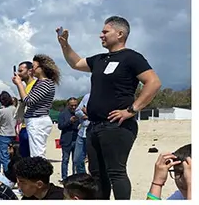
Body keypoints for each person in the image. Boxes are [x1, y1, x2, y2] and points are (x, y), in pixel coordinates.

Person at [57, 16, 162, 199]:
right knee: (97, 174)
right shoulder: (100, 59)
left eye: (105, 31)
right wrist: (64, 44)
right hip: (94, 126)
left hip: (117, 125)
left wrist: (131, 110)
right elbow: (76, 63)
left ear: (120, 34)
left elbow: (153, 82)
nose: (101, 35)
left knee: (116, 172)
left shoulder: (131, 57)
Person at [12, 55, 60, 158]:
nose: (32, 69)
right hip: (35, 121)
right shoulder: (41, 83)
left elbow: (28, 101)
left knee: (37, 155)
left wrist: (19, 84)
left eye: (34, 66)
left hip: (37, 121)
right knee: (35, 154)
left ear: (41, 68)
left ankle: (39, 173)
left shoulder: (45, 83)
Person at [14, 61, 36, 158]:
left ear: (30, 71)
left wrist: (19, 83)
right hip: (25, 125)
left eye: (21, 71)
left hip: (31, 126)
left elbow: (28, 102)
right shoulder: (26, 87)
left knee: (30, 157)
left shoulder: (35, 85)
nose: (18, 73)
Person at [0, 91, 16, 175]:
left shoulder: (2, 111)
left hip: (4, 134)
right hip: (14, 135)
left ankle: (8, 175)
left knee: (4, 157)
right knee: (14, 156)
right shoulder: (14, 109)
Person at [57, 97, 80, 182]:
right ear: (68, 105)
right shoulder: (63, 114)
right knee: (65, 160)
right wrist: (69, 121)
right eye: (72, 105)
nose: (74, 107)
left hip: (77, 139)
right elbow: (60, 126)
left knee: (76, 160)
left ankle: (75, 177)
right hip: (66, 140)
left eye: (75, 105)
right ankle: (64, 178)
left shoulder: (78, 113)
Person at [73, 93, 90, 175]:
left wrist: (87, 111)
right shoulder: (87, 96)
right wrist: (83, 115)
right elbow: (77, 111)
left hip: (93, 130)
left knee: (94, 160)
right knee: (77, 159)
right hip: (82, 131)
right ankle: (83, 178)